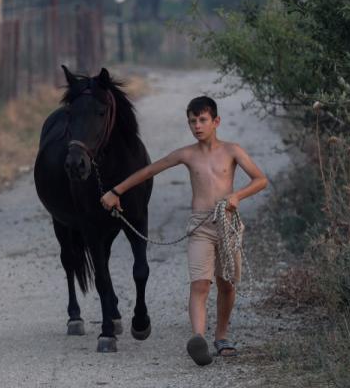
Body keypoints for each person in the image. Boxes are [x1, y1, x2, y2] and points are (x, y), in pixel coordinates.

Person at [99, 95, 268, 366]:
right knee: (200, 283)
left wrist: (237, 196)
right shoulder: (186, 154)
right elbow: (149, 170)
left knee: (227, 284)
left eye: (202, 120)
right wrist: (116, 191)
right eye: (192, 121)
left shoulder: (233, 150)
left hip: (227, 225)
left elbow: (261, 179)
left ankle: (221, 337)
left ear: (216, 121)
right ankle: (198, 338)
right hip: (200, 225)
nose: (197, 126)